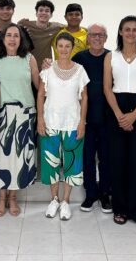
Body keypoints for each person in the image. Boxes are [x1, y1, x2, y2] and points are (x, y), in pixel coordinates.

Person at [103, 16, 136, 229]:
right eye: (127, 29)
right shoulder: (111, 56)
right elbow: (107, 88)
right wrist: (119, 115)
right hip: (115, 108)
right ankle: (120, 208)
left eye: (135, 29)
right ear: (120, 32)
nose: (131, 33)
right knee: (117, 161)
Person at [37, 32, 89, 220]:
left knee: (72, 164)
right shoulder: (48, 69)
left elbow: (84, 98)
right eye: (61, 46)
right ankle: (54, 200)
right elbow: (40, 95)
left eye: (68, 46)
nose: (64, 49)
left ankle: (66, 201)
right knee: (50, 163)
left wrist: (82, 122)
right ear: (56, 48)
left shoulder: (80, 70)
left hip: (72, 124)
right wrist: (40, 119)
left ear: (73, 48)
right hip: (50, 122)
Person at [0, 23, 40, 217]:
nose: (12, 39)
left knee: (20, 158)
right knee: (3, 158)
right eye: (9, 35)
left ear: (21, 40)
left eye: (16, 36)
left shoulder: (29, 58)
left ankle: (13, 198)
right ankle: (1, 197)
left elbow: (39, 86)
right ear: (3, 39)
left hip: (25, 113)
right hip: (3, 113)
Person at [72, 23, 112, 213]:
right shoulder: (79, 58)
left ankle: (105, 194)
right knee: (87, 158)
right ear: (87, 37)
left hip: (107, 118)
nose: (97, 38)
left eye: (101, 35)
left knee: (106, 158)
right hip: (84, 118)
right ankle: (90, 194)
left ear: (106, 38)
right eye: (93, 35)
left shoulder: (112, 57)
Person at [18, 0, 63, 70]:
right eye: (41, 10)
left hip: (46, 67)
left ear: (51, 15)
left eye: (47, 11)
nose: (44, 13)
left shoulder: (55, 26)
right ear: (36, 13)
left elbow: (70, 27)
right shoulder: (26, 24)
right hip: (27, 66)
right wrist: (18, 23)